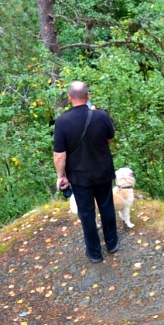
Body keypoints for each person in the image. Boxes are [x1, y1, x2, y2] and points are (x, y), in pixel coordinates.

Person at [52, 81, 118, 263]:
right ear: (88, 95)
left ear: (69, 97)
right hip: (103, 172)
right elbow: (109, 139)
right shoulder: (101, 116)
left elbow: (59, 155)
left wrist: (61, 176)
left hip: (80, 177)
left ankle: (95, 253)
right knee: (107, 207)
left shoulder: (62, 122)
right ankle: (112, 244)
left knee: (87, 214)